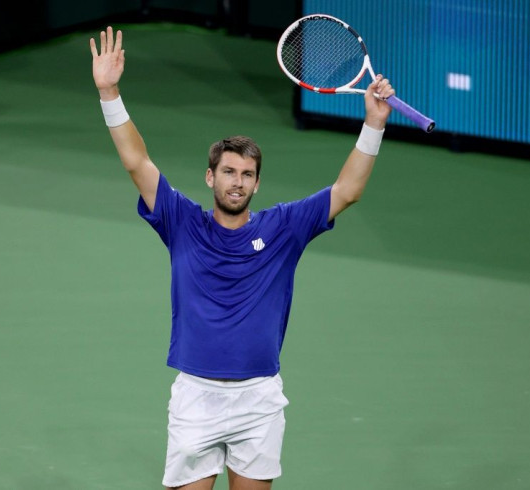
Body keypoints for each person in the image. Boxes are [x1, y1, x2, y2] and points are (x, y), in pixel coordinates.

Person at [90, 26, 394, 490]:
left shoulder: (284, 228)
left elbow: (347, 191)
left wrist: (373, 124)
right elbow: (137, 162)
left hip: (258, 399)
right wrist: (109, 91)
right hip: (197, 397)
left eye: (247, 174)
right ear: (210, 177)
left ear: (256, 184)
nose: (237, 181)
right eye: (228, 171)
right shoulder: (180, 220)